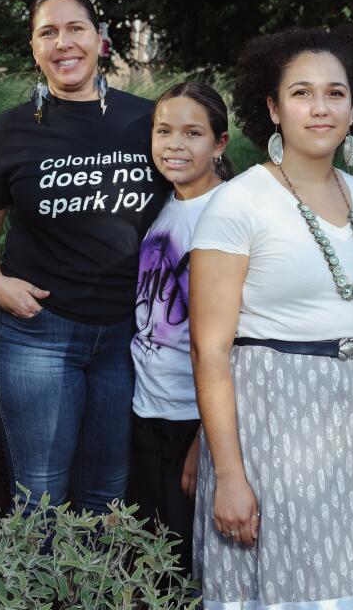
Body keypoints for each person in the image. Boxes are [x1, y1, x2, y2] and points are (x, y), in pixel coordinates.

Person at [190, 26, 353, 609]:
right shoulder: (237, 202)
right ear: (272, 107)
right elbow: (209, 350)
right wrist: (230, 475)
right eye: (301, 93)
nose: (320, 108)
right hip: (274, 422)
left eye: (335, 93)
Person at [0, 0, 164, 515]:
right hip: (38, 336)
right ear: (34, 48)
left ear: (101, 40)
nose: (63, 43)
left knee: (109, 492)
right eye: (48, 32)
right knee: (39, 494)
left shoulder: (148, 122)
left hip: (130, 335)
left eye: (75, 29)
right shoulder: (12, 129)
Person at [128, 81, 232, 571]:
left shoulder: (229, 214)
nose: (175, 144)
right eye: (164, 131)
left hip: (195, 424)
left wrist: (204, 442)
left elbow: (240, 340)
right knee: (155, 567)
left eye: (193, 133)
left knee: (190, 572)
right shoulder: (164, 206)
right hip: (148, 411)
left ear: (220, 143)